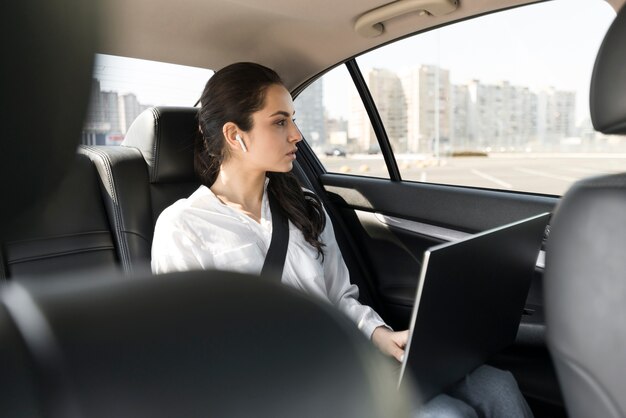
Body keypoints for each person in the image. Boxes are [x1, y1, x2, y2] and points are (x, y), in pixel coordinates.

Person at [151, 62, 534, 418]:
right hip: (283, 395)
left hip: (350, 364)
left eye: (293, 121)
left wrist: (381, 336)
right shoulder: (184, 227)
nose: (296, 135)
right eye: (280, 122)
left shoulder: (304, 206)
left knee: (499, 385)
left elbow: (339, 298)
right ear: (236, 135)